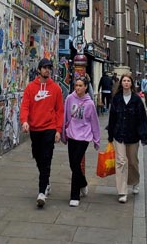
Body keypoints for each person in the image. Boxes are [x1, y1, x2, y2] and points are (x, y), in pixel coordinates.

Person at [20, 57, 64, 208]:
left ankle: (41, 192)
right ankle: (47, 181)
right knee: (38, 157)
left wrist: (58, 130)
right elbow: (25, 105)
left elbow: (60, 111)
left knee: (46, 157)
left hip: (49, 128)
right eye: (44, 67)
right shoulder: (31, 88)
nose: (47, 70)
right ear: (39, 70)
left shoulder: (56, 88)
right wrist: (24, 121)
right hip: (35, 128)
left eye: (49, 68)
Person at [107, 73, 147, 203]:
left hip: (133, 135)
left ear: (131, 83)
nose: (126, 83)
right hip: (119, 134)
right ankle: (122, 191)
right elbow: (112, 117)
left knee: (132, 162)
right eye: (124, 81)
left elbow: (142, 119)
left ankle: (135, 182)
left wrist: (143, 136)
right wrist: (110, 135)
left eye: (128, 81)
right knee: (120, 162)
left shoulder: (136, 100)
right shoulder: (116, 99)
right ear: (121, 83)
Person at [62, 76, 101, 207]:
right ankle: (83, 183)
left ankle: (74, 195)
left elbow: (94, 122)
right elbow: (66, 117)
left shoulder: (89, 104)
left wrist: (97, 139)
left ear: (85, 87)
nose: (77, 88)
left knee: (76, 162)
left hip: (84, 137)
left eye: (80, 85)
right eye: (76, 85)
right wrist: (63, 134)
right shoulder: (69, 99)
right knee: (73, 165)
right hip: (72, 135)